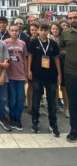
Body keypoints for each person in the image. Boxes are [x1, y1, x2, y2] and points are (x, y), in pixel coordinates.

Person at [28, 22, 61, 137]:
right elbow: (30, 57)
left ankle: (53, 123)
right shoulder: (33, 42)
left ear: (48, 31)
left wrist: (59, 74)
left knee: (51, 101)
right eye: (41, 30)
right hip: (37, 75)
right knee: (36, 99)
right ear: (38, 31)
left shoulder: (53, 44)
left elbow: (56, 59)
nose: (43, 32)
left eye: (45, 30)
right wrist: (29, 70)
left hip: (51, 76)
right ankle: (35, 121)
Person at [5, 24, 28, 131]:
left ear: (19, 32)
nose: (14, 32)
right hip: (10, 75)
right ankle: (12, 116)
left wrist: (26, 73)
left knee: (20, 98)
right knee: (12, 98)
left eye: (16, 30)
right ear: (9, 31)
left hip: (20, 75)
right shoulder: (5, 43)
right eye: (12, 30)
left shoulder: (22, 43)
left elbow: (25, 59)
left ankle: (18, 118)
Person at [60, 11, 77, 142]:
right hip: (71, 72)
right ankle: (74, 130)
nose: (73, 20)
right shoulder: (65, 33)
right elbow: (62, 49)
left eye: (75, 17)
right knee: (73, 103)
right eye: (70, 18)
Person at [50, 22, 68, 115]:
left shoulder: (63, 39)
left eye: (57, 29)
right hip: (53, 65)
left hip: (63, 64)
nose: (55, 30)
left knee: (64, 87)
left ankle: (67, 107)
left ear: (60, 30)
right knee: (55, 86)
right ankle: (56, 105)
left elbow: (67, 50)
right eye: (53, 29)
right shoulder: (49, 39)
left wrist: (61, 52)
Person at [25, 22, 39, 112]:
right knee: (30, 86)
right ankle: (30, 105)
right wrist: (27, 69)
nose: (34, 31)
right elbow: (27, 55)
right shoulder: (28, 40)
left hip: (40, 65)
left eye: (35, 29)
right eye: (32, 30)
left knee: (38, 87)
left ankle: (36, 106)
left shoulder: (41, 39)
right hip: (31, 64)